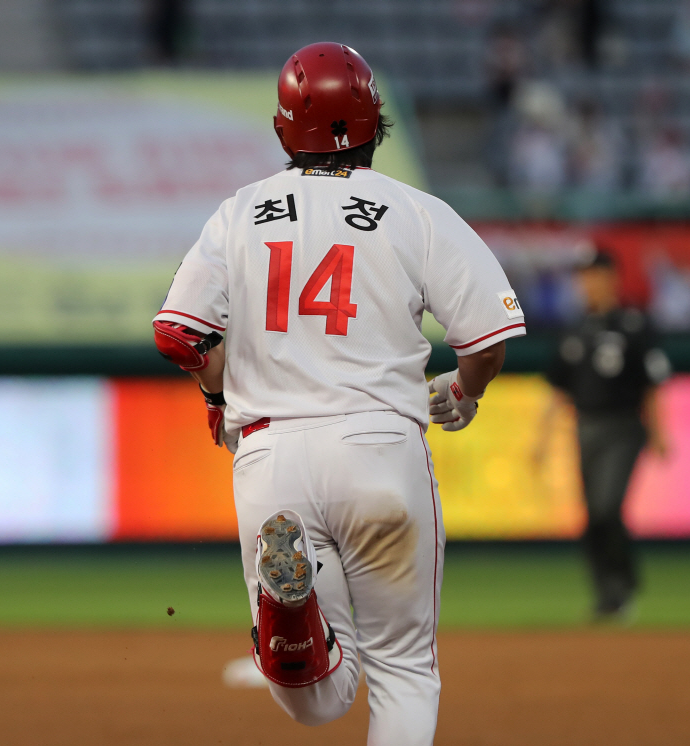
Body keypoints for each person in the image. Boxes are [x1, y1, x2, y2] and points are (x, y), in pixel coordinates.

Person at [152, 42, 526, 745]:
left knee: (316, 702)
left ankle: (293, 620)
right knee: (404, 668)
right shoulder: (415, 211)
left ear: (281, 127)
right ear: (374, 120)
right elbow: (486, 340)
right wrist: (466, 391)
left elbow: (179, 333)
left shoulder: (240, 212)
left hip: (270, 457)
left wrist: (216, 392)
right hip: (380, 446)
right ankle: (297, 619)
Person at [534, 247, 671, 621]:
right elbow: (559, 389)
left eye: (593, 274)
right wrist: (541, 439)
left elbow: (652, 383)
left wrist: (660, 432)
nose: (587, 283)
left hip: (624, 426)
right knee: (594, 513)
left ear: (611, 277)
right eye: (582, 276)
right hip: (586, 425)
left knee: (608, 506)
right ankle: (607, 594)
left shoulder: (633, 324)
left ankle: (622, 587)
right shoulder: (575, 328)